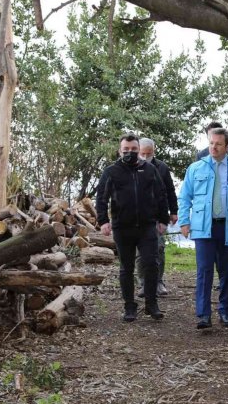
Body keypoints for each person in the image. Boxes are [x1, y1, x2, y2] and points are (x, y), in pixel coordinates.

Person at [179, 128, 228, 329]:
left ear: (227, 147)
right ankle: (203, 315)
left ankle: (225, 311)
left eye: (218, 144)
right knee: (204, 270)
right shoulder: (196, 168)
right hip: (203, 227)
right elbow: (185, 197)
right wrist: (184, 221)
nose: (213, 147)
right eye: (211, 143)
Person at [96, 133, 170, 322]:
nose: (130, 153)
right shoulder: (111, 171)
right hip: (123, 227)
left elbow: (161, 194)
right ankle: (129, 306)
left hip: (147, 226)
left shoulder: (150, 169)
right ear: (120, 151)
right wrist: (103, 221)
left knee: (151, 264)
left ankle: (151, 304)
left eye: (134, 150)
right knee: (126, 268)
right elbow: (101, 198)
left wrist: (163, 220)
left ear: (139, 150)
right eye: (126, 150)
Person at [135, 138, 178, 297]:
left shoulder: (162, 168)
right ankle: (143, 284)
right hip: (138, 216)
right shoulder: (132, 166)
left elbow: (170, 191)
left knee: (159, 248)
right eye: (142, 154)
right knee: (140, 252)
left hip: (158, 215)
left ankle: (158, 282)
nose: (145, 157)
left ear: (154, 151)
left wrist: (173, 211)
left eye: (149, 154)